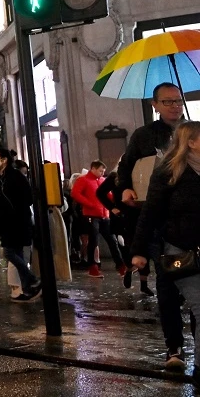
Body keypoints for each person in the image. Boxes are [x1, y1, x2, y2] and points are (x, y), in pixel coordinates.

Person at [121, 82, 187, 370]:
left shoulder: (193, 131)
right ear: (155, 105)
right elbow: (126, 167)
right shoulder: (144, 136)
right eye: (168, 101)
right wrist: (125, 188)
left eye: (178, 100)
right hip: (160, 221)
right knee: (168, 286)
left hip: (192, 221)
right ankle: (174, 346)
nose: (175, 106)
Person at [132, 121, 200, 372]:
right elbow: (149, 213)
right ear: (190, 142)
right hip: (177, 249)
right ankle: (177, 349)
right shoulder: (168, 172)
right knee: (188, 302)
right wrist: (138, 251)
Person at [0, 147, 41, 302]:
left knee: (9, 253)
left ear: (4, 160)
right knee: (16, 253)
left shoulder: (15, 175)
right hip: (7, 222)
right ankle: (28, 288)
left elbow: (28, 197)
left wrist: (13, 208)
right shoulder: (0, 177)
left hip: (18, 220)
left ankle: (32, 279)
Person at [97, 162, 152, 295]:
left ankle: (143, 283)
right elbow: (100, 193)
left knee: (144, 249)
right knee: (127, 248)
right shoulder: (115, 177)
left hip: (139, 216)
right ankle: (129, 268)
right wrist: (112, 208)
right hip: (122, 218)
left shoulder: (140, 174)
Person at [72, 160, 127, 279]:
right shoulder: (83, 180)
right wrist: (90, 204)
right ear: (93, 169)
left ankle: (120, 265)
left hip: (104, 215)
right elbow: (75, 193)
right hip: (91, 215)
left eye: (103, 171)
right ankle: (93, 267)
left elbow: (109, 196)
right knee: (93, 241)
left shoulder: (102, 181)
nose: (102, 173)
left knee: (112, 241)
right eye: (101, 171)